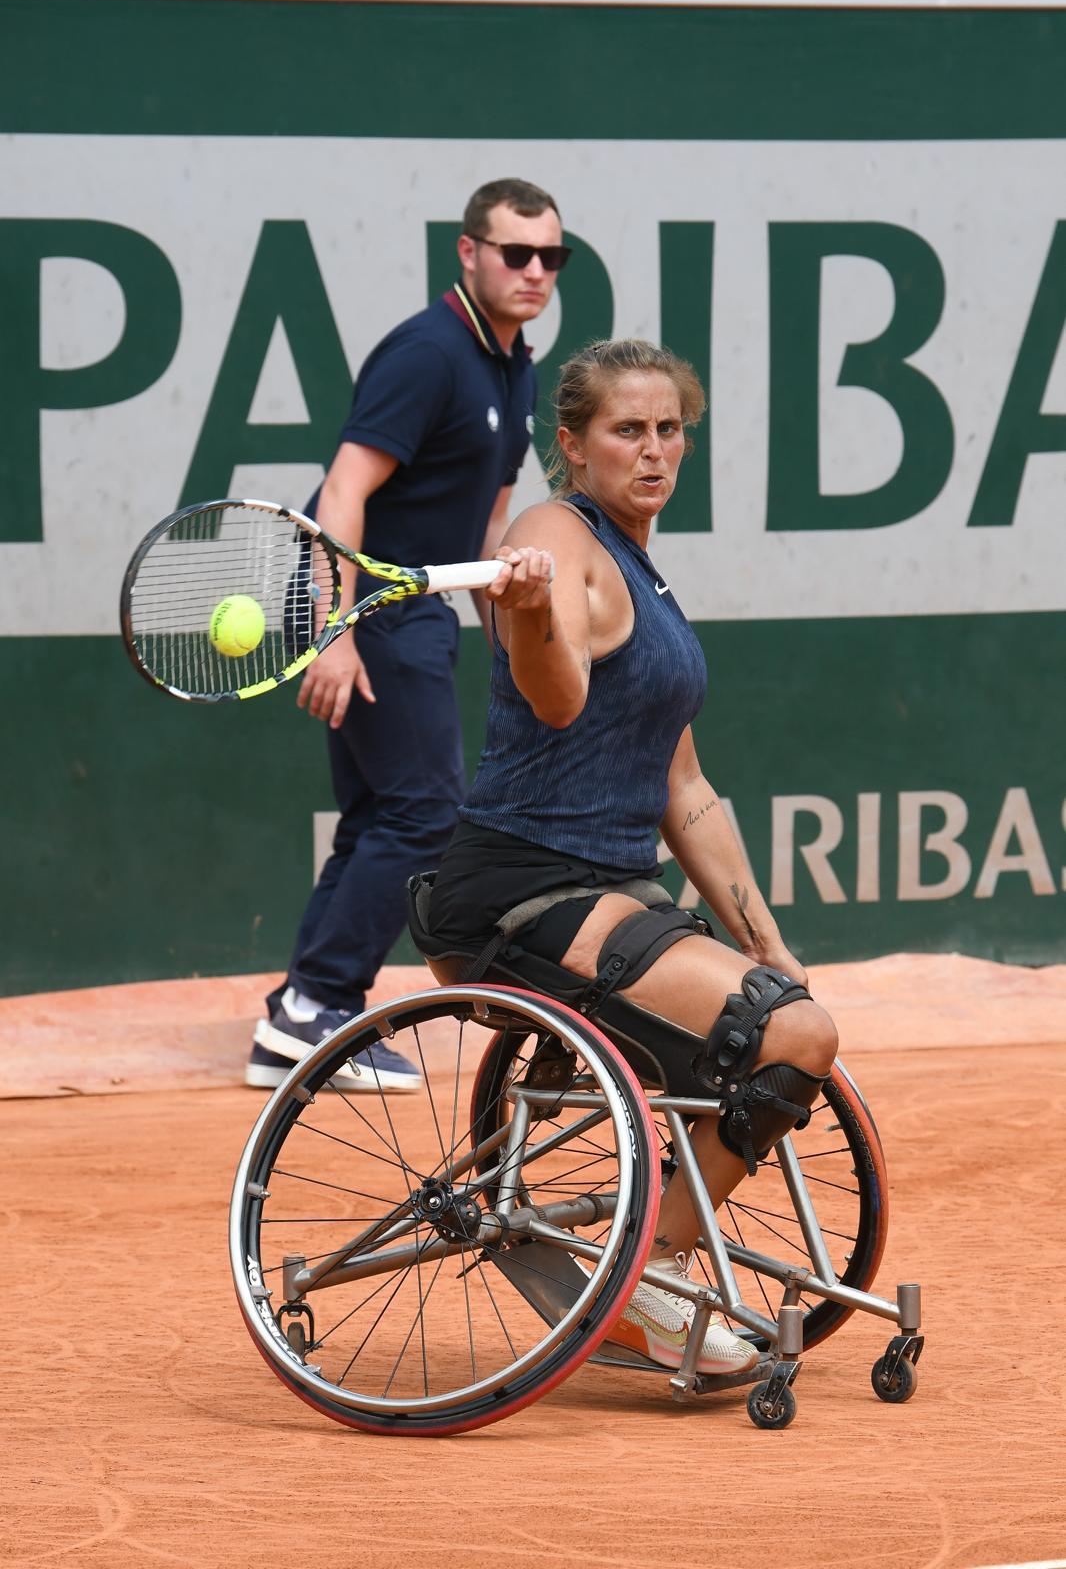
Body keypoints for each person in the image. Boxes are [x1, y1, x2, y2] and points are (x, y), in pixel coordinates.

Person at [426, 338, 840, 1374]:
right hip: (519, 893)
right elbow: (559, 697)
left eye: (668, 430)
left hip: (608, 893)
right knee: (790, 1036)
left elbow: (683, 790)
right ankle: (639, 1277)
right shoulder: (548, 536)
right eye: (626, 431)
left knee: (778, 1012)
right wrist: (527, 617)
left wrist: (770, 941)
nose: (653, 451)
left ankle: (641, 1255)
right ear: (572, 443)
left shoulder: (644, 572)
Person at [246, 178, 568, 1091]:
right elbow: (343, 490)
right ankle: (316, 1007)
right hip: (365, 599)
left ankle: (306, 1012)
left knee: (384, 813)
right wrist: (334, 628)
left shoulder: (513, 364)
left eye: (552, 256)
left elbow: (484, 538)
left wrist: (514, 652)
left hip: (418, 601)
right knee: (425, 813)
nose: (535, 271)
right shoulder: (428, 354)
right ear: (468, 253)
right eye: (516, 253)